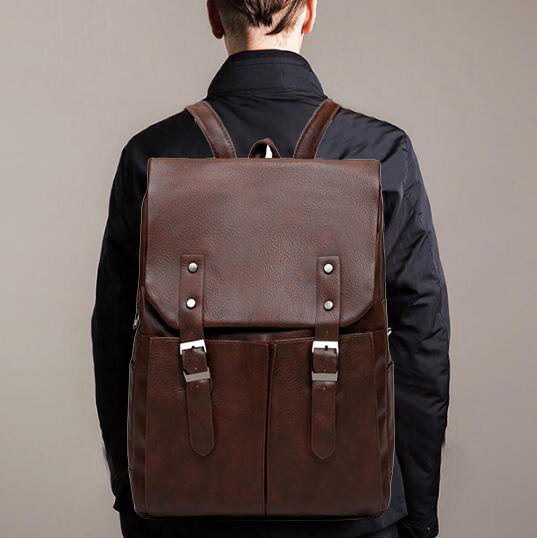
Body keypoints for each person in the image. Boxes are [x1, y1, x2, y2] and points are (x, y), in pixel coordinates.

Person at [91, 1, 450, 537]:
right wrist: (417, 515)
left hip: (185, 514)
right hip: (355, 516)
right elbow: (423, 340)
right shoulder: (381, 153)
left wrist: (132, 496)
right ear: (309, 12)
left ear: (214, 16)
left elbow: (114, 342)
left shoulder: (152, 155)